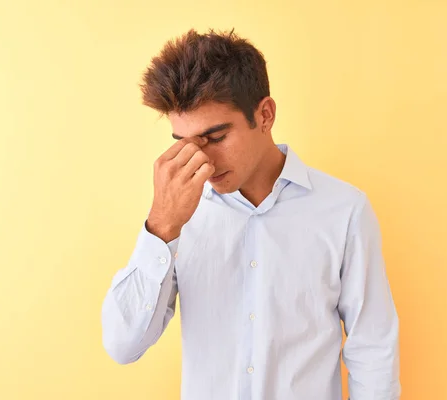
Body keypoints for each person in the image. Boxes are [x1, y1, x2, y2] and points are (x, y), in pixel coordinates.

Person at [101, 28, 401, 400]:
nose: (203, 161)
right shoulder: (175, 216)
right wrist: (162, 226)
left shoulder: (344, 211)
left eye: (215, 137)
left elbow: (373, 348)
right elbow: (122, 345)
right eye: (184, 143)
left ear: (265, 115)